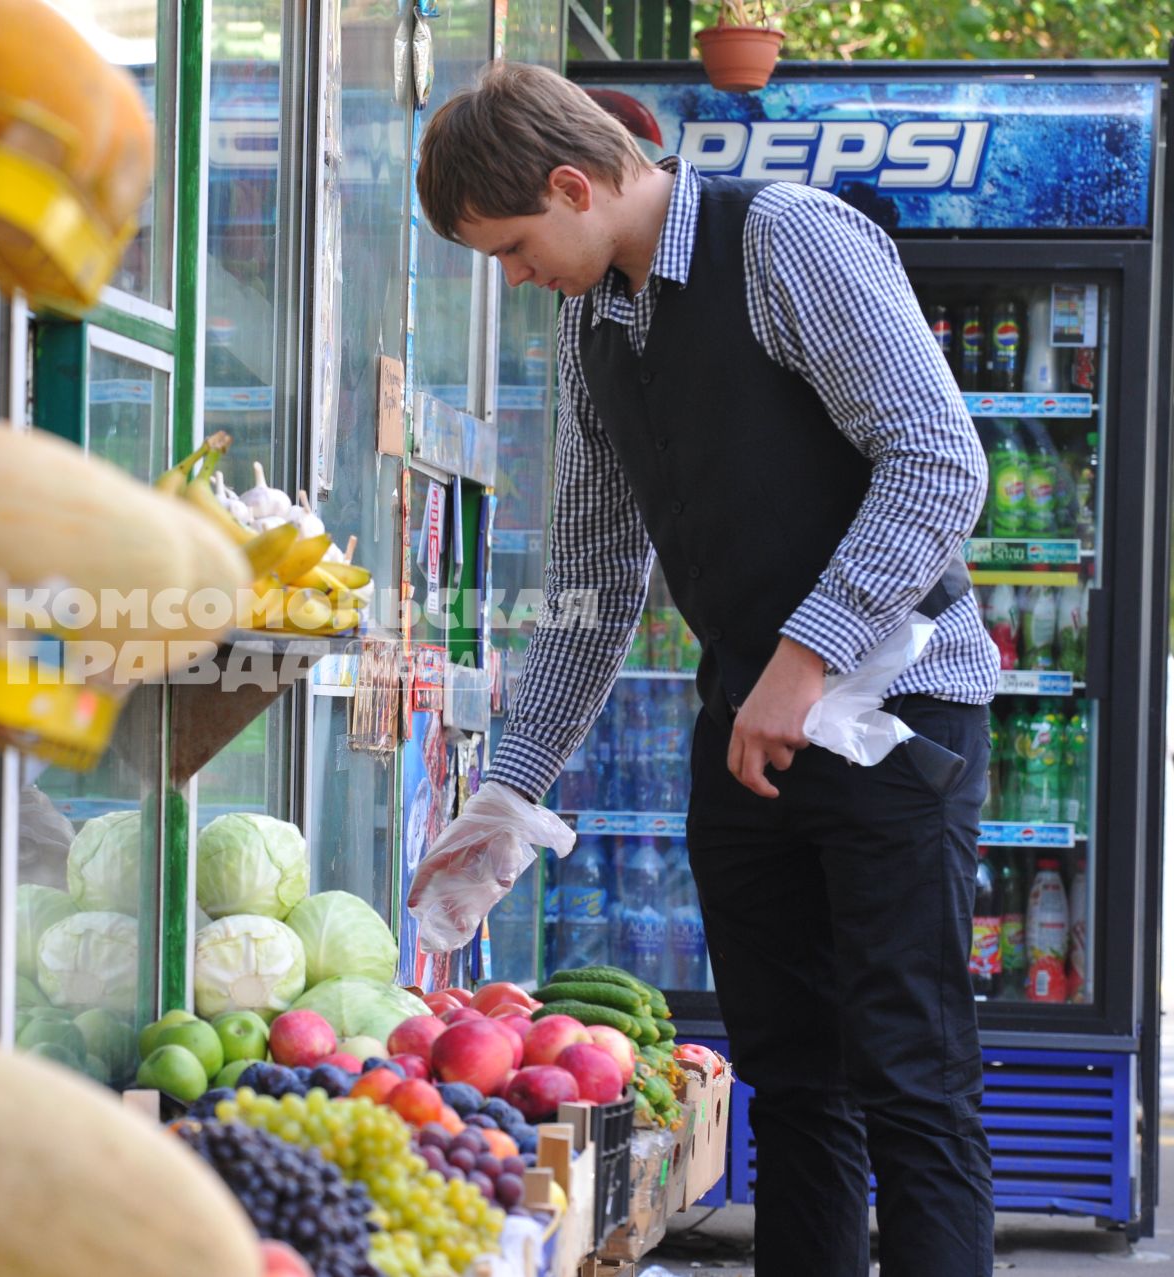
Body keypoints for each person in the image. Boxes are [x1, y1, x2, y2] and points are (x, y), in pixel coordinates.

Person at [405, 62, 997, 1277]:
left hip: (898, 714)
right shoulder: (591, 327)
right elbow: (596, 577)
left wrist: (807, 655)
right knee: (793, 1079)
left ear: (575, 185)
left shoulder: (786, 239)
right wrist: (510, 791)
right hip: (750, 727)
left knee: (911, 1078)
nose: (515, 279)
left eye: (513, 247)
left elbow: (942, 462)